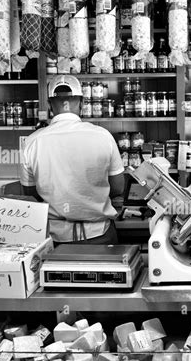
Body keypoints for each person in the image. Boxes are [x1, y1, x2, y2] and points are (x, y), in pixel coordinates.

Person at [20, 75, 125, 245]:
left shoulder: (32, 142)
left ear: (49, 105)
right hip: (99, 235)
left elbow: (30, 194)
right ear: (82, 103)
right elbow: (118, 187)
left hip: (53, 239)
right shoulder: (102, 135)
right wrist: (92, 197)